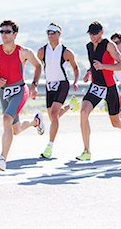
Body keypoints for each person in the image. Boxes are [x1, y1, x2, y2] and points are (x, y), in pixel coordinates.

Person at [0, 20, 45, 171]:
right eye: (2, 32)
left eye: (7, 32)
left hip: (19, 90)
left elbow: (38, 65)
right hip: (4, 91)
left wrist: (34, 85)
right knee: (15, 130)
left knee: (6, 119)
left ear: (15, 34)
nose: (4, 35)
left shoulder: (23, 52)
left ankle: (2, 159)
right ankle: (36, 122)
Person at [78, 21, 121, 161]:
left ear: (101, 33)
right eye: (90, 34)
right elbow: (94, 64)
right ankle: (86, 151)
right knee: (83, 112)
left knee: (116, 123)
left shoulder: (109, 45)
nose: (92, 37)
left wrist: (103, 66)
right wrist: (89, 72)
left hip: (110, 87)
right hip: (96, 86)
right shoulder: (88, 46)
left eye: (95, 34)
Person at [37, 23, 80, 158]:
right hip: (49, 85)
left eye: (53, 33)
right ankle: (71, 106)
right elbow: (37, 66)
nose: (50, 35)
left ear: (59, 34)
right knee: (52, 116)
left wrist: (75, 81)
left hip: (62, 84)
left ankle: (50, 146)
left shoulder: (66, 52)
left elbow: (76, 68)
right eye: (48, 33)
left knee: (54, 115)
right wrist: (34, 83)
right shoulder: (42, 51)